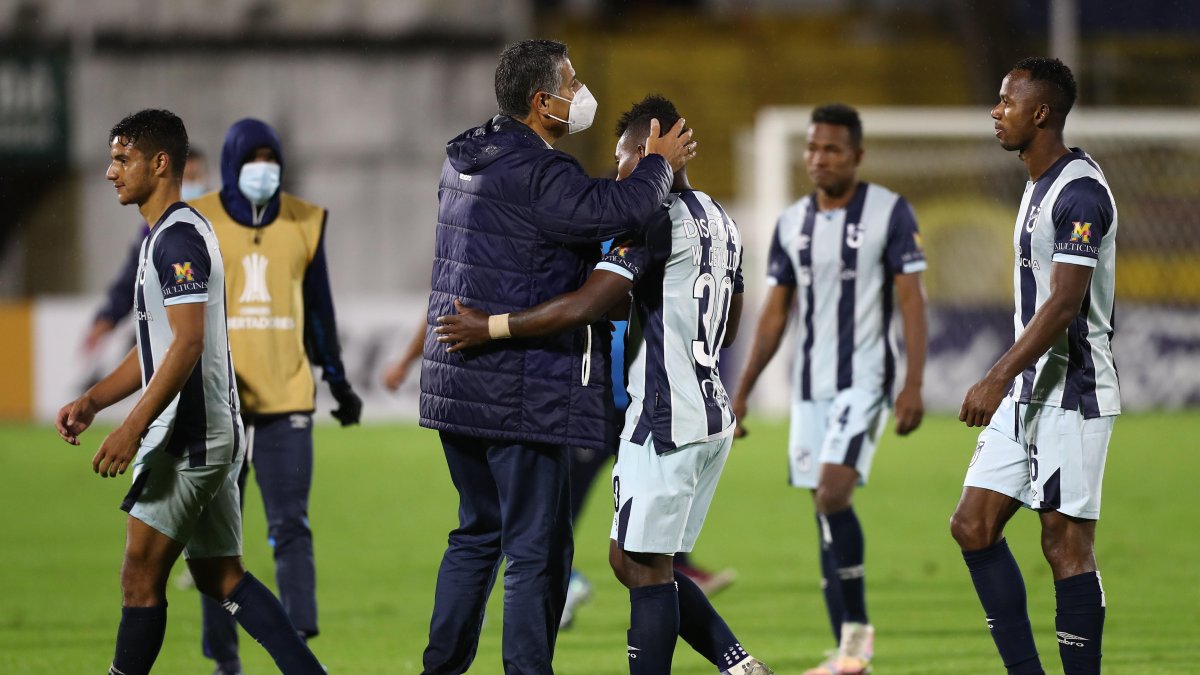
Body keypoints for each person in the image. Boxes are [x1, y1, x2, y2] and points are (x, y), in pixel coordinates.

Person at [435, 94, 773, 675]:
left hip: (663, 415)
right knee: (633, 558)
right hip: (711, 411)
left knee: (644, 567)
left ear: (644, 153)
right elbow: (731, 320)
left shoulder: (648, 221)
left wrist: (489, 327)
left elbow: (583, 305)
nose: (617, 174)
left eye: (621, 158)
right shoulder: (720, 217)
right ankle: (737, 664)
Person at [418, 40, 696, 675]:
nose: (582, 90)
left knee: (476, 534)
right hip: (520, 387)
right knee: (536, 552)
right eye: (572, 81)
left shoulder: (465, 157)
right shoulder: (539, 173)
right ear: (542, 102)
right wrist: (658, 163)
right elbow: (621, 207)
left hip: (458, 382)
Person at [54, 109, 324, 675]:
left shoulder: (177, 237)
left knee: (138, 580)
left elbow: (187, 344)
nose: (110, 171)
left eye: (122, 158)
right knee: (220, 576)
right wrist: (96, 400)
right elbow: (158, 343)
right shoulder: (170, 232)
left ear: (159, 164)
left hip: (189, 439)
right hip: (213, 433)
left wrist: (131, 427)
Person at [730, 103, 928, 675]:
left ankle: (858, 640)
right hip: (810, 386)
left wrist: (912, 383)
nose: (819, 158)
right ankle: (847, 651)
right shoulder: (792, 222)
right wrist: (741, 390)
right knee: (822, 511)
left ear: (857, 156)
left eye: (833, 149)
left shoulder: (890, 212)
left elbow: (911, 300)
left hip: (866, 379)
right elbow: (775, 313)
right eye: (812, 148)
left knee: (832, 494)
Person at [951, 57, 1117, 675]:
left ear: (1040, 112)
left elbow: (1067, 303)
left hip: (1073, 390)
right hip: (1028, 390)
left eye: (1006, 102)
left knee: (1065, 546)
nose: (996, 111)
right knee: (972, 525)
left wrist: (995, 376)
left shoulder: (1078, 192)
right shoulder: (1037, 182)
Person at [189, 117, 363, 675]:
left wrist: (337, 381)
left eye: (271, 158)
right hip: (222, 404)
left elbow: (320, 311)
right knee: (216, 542)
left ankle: (299, 648)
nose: (263, 168)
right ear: (232, 161)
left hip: (289, 397)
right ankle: (225, 657)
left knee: (291, 525)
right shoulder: (200, 221)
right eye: (252, 158)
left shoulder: (305, 221)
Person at [81, 148, 210, 355]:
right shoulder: (152, 232)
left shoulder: (217, 230)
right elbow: (133, 277)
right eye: (185, 178)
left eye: (195, 177)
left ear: (206, 179)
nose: (190, 185)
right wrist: (108, 317)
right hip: (166, 332)